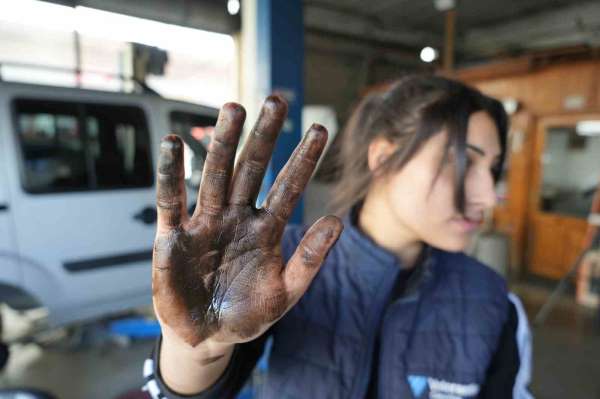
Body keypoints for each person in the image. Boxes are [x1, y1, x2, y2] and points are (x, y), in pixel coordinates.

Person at [142, 75, 533, 399]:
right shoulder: (282, 263)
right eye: (461, 162)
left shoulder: (494, 302)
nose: (486, 196)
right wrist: (198, 348)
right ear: (382, 158)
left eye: (493, 169)